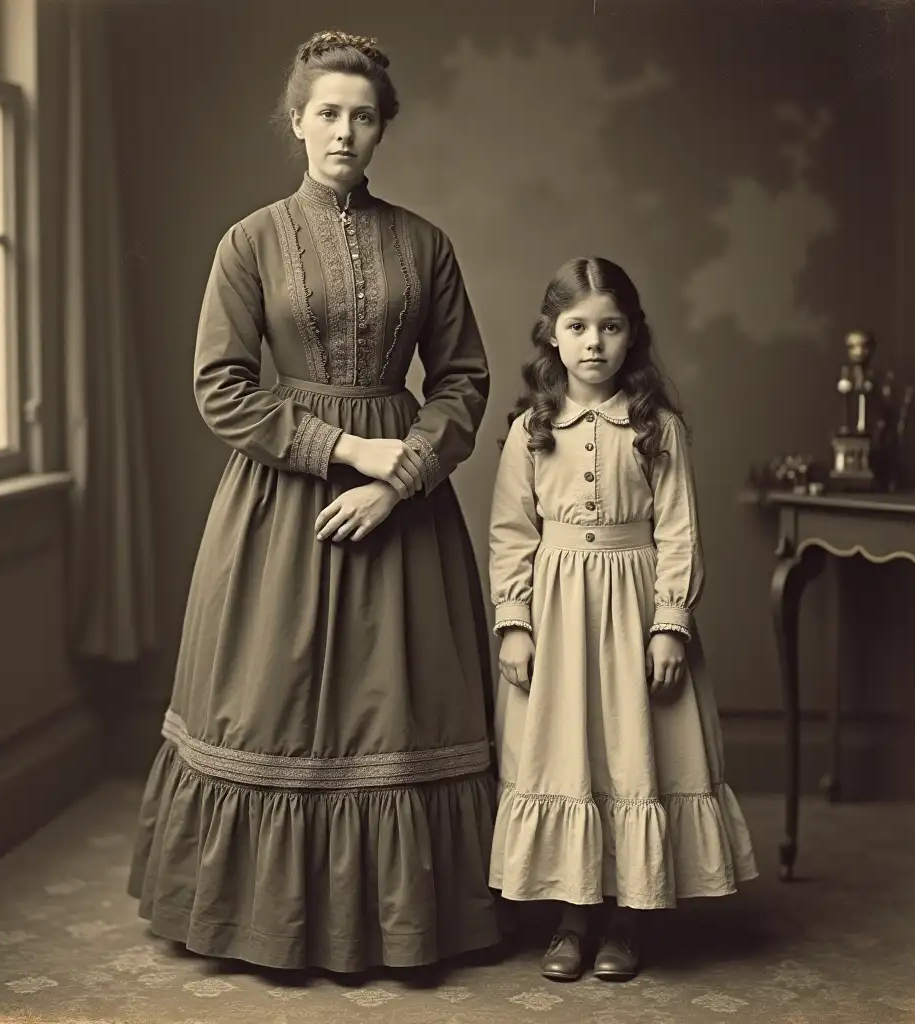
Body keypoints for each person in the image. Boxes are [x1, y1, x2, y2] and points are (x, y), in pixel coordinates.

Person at [127, 29, 500, 974]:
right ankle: (265, 919)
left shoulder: (425, 242)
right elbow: (221, 387)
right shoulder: (248, 242)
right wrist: (343, 448)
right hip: (281, 505)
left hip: (402, 509)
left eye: (363, 117)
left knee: (397, 703)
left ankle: (410, 923)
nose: (344, 132)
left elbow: (462, 380)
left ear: (383, 131)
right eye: (327, 113)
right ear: (297, 123)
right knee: (272, 698)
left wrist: (401, 477)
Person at [488, 257, 757, 983]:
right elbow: (512, 532)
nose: (593, 344)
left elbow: (680, 532)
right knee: (571, 755)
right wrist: (514, 621)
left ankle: (628, 920)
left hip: (636, 608)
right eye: (577, 327)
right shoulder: (531, 430)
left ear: (633, 335)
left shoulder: (656, 427)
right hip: (559, 615)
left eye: (610, 327)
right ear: (552, 335)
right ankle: (571, 918)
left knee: (635, 754)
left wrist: (670, 624)